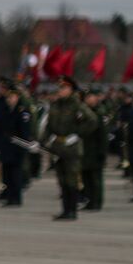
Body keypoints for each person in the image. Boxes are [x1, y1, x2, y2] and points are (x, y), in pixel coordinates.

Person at [44, 76, 96, 221]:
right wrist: (44, 140)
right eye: (60, 88)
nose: (61, 91)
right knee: (61, 180)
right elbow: (49, 124)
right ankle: (65, 210)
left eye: (64, 88)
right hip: (58, 146)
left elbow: (92, 120)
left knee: (71, 179)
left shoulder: (77, 104)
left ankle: (72, 211)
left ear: (71, 89)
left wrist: (78, 134)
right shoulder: (55, 105)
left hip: (71, 147)